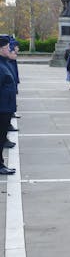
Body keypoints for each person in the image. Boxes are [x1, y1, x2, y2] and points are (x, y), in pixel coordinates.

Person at [0, 36, 17, 174]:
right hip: (2, 108)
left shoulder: (4, 63)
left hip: (6, 107)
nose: (9, 49)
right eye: (6, 48)